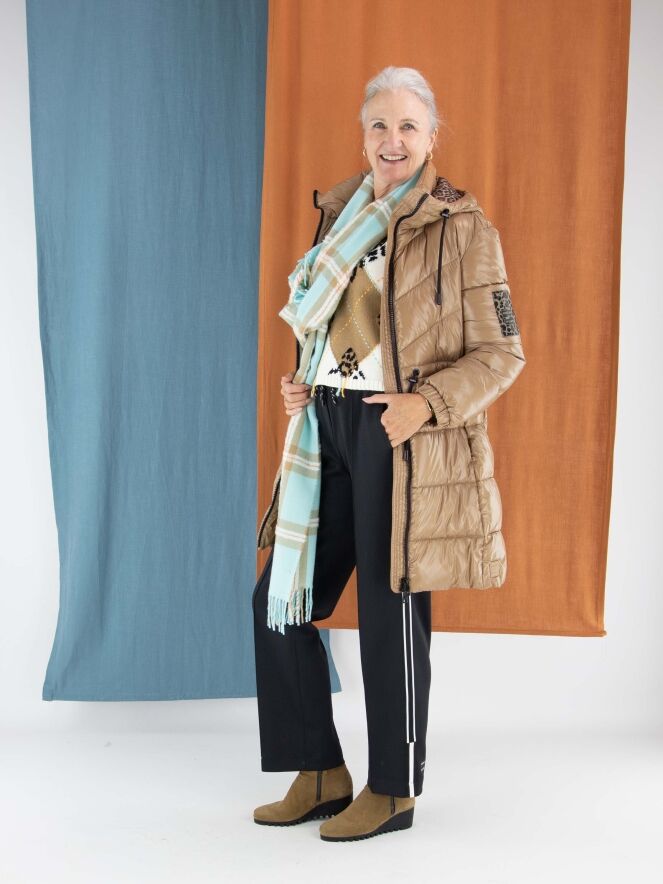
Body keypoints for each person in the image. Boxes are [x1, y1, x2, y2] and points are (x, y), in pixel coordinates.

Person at [252, 65, 526, 842]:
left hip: (398, 435)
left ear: (431, 137)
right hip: (325, 426)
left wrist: (425, 403)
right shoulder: (340, 216)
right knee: (280, 598)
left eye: (408, 125)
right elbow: (329, 324)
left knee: (388, 609)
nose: (392, 139)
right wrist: (305, 382)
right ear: (363, 135)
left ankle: (393, 789)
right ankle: (319, 771)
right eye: (379, 125)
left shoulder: (462, 228)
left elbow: (502, 354)